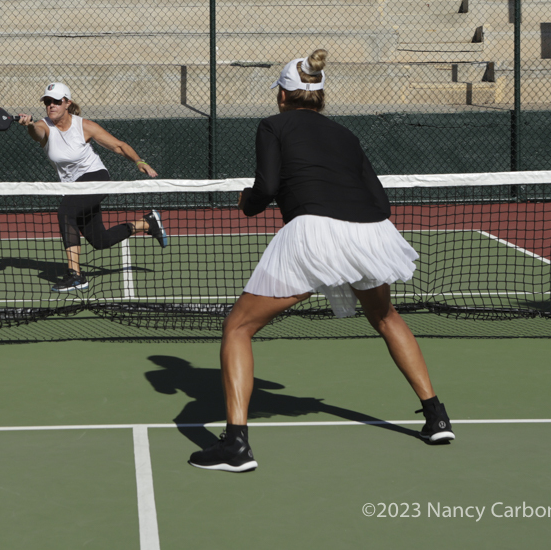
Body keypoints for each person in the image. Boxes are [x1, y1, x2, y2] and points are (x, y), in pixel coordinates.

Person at [188, 49, 455, 473]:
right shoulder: (346, 135)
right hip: (371, 231)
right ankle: (436, 417)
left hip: (313, 231)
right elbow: (381, 202)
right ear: (320, 96)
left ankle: (236, 444)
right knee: (386, 317)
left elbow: (266, 187)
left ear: (282, 95)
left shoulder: (272, 125)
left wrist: (248, 203)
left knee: (238, 327)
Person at [17, 82, 168, 292]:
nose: (51, 105)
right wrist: (30, 125)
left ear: (67, 103)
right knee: (100, 241)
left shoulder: (84, 126)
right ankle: (146, 223)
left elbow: (118, 146)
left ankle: (76, 275)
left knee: (66, 213)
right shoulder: (44, 126)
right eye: (47, 102)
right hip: (73, 188)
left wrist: (139, 161)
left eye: (56, 101)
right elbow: (37, 133)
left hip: (96, 178)